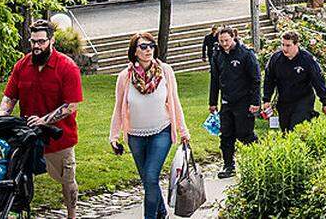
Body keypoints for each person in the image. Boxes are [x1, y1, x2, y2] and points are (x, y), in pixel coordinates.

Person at [0, 19, 83, 218]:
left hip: (59, 137)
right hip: (27, 134)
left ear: (52, 41)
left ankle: (72, 215)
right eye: (33, 41)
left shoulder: (67, 67)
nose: (37, 46)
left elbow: (71, 106)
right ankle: (18, 212)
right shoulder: (22, 65)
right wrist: (2, 117)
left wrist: (44, 120)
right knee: (16, 177)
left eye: (41, 42)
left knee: (67, 179)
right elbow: (10, 96)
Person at [109, 32, 190, 219]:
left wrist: (183, 129)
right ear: (134, 52)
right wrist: (114, 136)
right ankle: (162, 213)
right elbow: (118, 107)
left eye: (151, 46)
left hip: (161, 131)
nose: (148, 50)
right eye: (143, 47)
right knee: (147, 180)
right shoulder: (125, 77)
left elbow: (174, 102)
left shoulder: (165, 71)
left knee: (152, 177)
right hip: (135, 135)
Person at [208, 26, 260, 178]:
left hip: (244, 100)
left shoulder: (246, 54)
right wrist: (212, 102)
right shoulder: (217, 55)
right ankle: (228, 165)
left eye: (227, 40)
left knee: (245, 133)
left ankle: (258, 158)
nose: (224, 43)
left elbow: (255, 79)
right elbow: (215, 79)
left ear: (233, 38)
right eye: (221, 41)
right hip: (226, 101)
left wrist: (255, 102)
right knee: (226, 135)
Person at [262, 30, 326, 132]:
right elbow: (269, 79)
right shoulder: (276, 59)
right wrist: (266, 99)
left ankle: (308, 117)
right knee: (286, 131)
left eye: (288, 45)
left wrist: (325, 102)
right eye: (283, 45)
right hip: (284, 101)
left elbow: (318, 80)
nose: (284, 48)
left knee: (296, 129)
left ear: (296, 44)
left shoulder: (307, 59)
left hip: (303, 99)